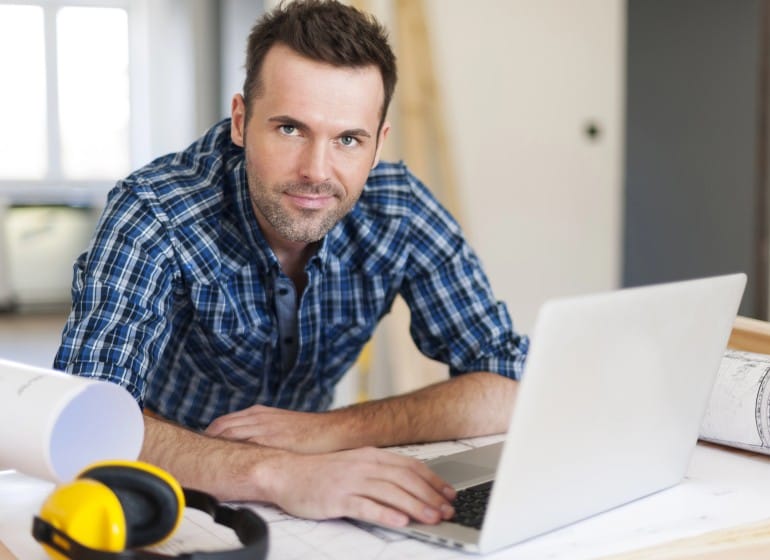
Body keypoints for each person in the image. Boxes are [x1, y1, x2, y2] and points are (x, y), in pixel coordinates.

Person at [54, 0, 528, 528]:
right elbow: (82, 417)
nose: (316, 172)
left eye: (348, 139)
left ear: (377, 147)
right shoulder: (156, 212)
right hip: (167, 480)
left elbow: (508, 383)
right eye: (290, 129)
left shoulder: (401, 211)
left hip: (315, 480)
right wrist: (279, 472)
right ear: (240, 121)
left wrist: (324, 433)